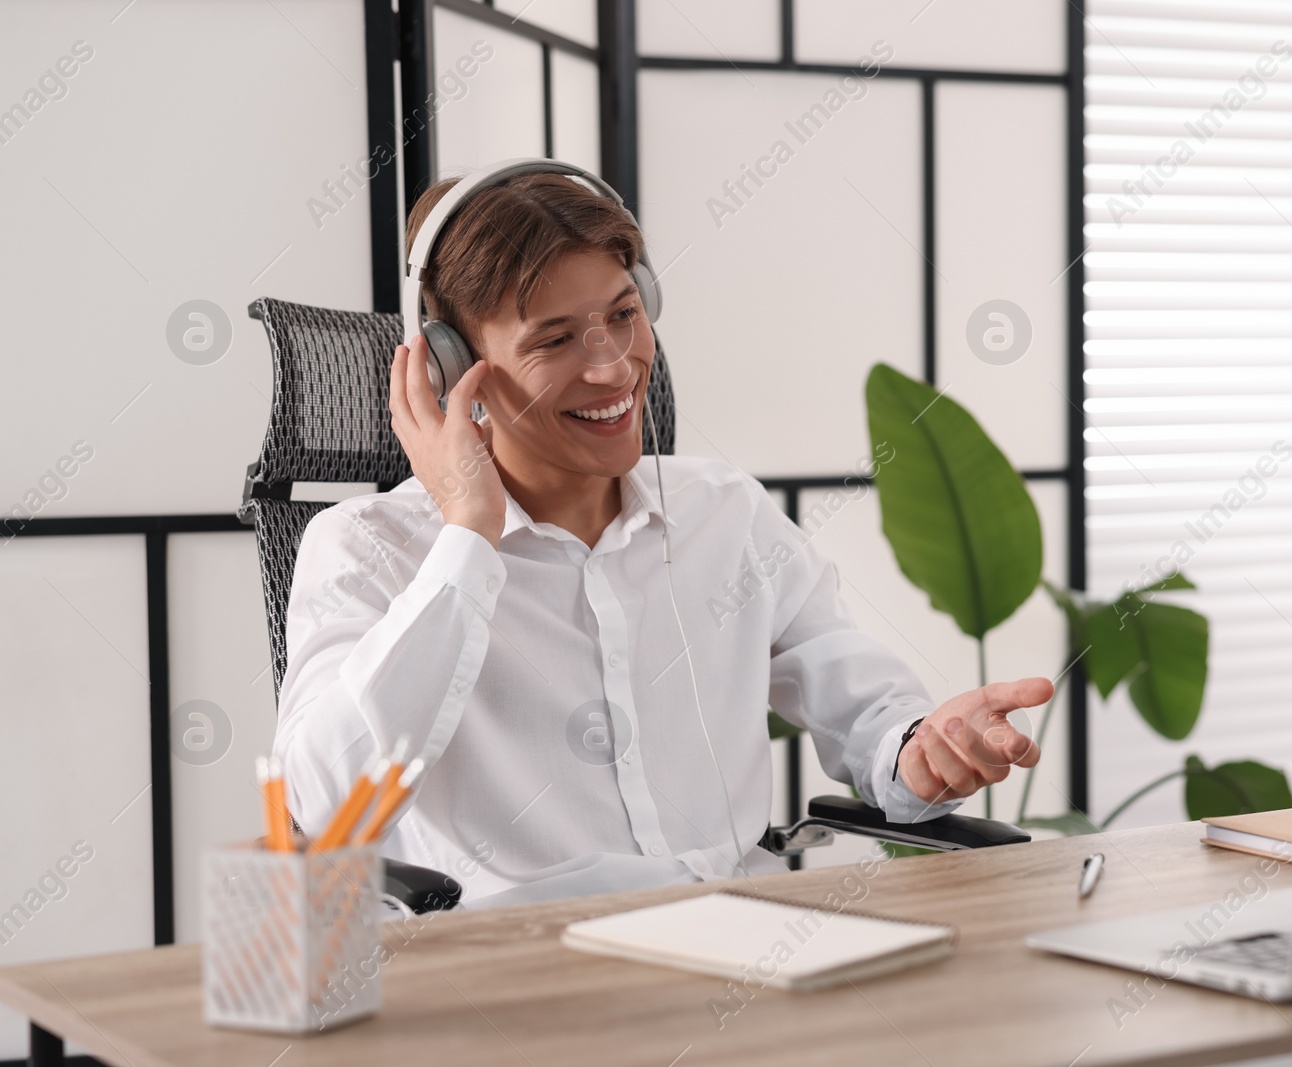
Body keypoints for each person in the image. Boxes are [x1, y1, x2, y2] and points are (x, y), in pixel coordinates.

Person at [273, 170, 1051, 904]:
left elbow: (869, 714)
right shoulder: (366, 550)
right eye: (554, 340)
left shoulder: (723, 513)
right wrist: (467, 538)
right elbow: (325, 804)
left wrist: (923, 751)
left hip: (745, 946)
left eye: (622, 313)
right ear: (453, 371)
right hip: (524, 985)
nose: (613, 367)